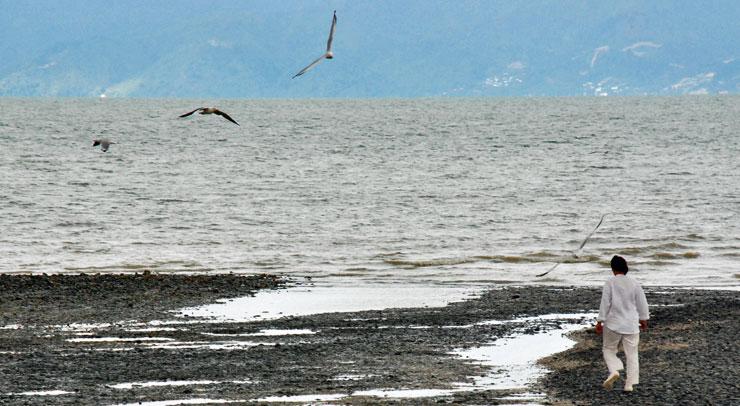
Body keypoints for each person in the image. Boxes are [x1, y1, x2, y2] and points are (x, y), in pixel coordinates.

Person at [595, 255, 649, 392]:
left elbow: (605, 302)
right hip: (631, 324)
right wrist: (643, 319)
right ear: (625, 268)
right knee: (632, 354)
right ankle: (629, 385)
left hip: (613, 323)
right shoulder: (634, 283)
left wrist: (600, 320)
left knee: (608, 349)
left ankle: (614, 370)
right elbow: (642, 303)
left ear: (613, 269)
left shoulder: (610, 282)